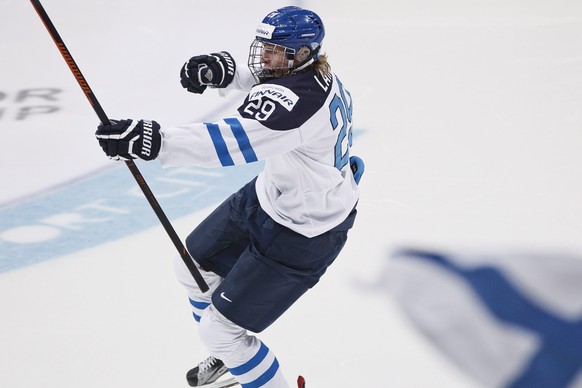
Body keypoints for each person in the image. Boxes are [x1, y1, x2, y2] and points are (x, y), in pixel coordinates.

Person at [95, 6, 363, 388]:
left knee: (220, 332)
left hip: (305, 232)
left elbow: (230, 143)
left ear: (302, 54)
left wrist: (155, 142)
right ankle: (232, 361)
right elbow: (267, 78)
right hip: (272, 197)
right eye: (264, 48)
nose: (265, 58)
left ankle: (239, 357)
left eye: (275, 51)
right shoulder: (312, 73)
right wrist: (225, 75)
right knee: (193, 269)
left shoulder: (296, 104)